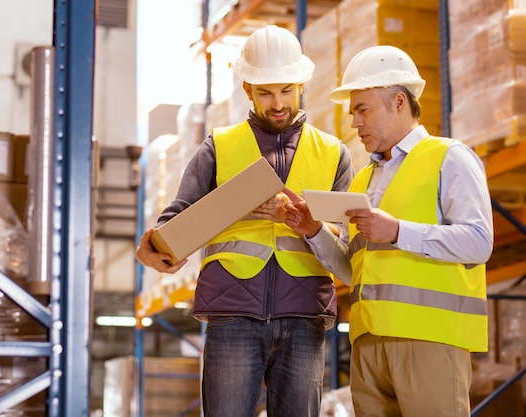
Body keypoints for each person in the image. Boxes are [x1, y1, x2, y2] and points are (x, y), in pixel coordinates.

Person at [136, 25, 354, 417]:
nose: (277, 103)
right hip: (232, 311)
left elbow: (347, 246)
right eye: (265, 92)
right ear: (247, 90)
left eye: (286, 90)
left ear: (301, 84)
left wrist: (304, 223)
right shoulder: (219, 147)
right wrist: (153, 243)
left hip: (304, 316)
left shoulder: (334, 154)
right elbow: (178, 216)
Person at [282, 45, 494, 417]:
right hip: (368, 345)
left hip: (430, 339)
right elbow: (354, 269)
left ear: (399, 101)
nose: (354, 123)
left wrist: (397, 231)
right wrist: (313, 229)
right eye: (353, 113)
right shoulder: (362, 180)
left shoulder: (449, 156)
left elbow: (479, 242)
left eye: (362, 110)